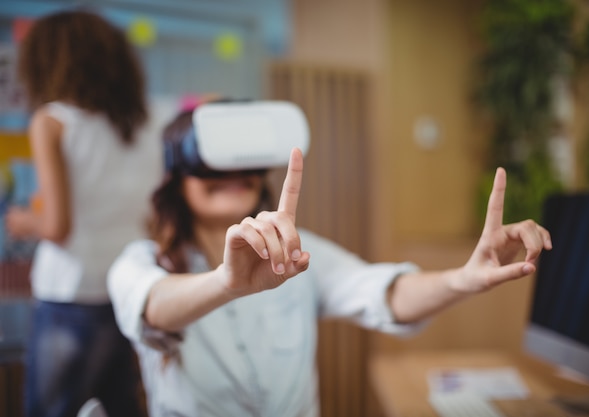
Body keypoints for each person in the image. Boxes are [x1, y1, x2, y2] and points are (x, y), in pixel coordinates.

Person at [107, 107, 552, 417]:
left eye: (242, 160)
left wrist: (461, 280)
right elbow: (152, 306)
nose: (231, 173)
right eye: (213, 161)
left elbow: (383, 293)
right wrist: (226, 283)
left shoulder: (300, 255)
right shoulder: (140, 261)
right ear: (177, 176)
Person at [5, 9, 162, 417]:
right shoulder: (149, 122)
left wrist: (22, 221)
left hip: (70, 294)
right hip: (129, 289)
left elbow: (57, 226)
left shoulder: (53, 121)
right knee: (120, 406)